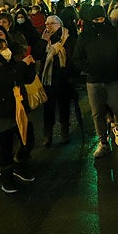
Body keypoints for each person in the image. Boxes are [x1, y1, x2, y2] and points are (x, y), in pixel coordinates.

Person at [0, 36, 37, 194]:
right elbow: (5, 81)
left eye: (6, 47)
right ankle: (6, 177)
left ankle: (19, 165)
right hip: (0, 113)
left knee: (28, 140)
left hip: (19, 108)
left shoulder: (13, 64)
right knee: (6, 146)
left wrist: (30, 65)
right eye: (2, 49)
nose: (6, 51)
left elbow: (27, 78)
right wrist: (23, 67)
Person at [73, 5, 118, 158]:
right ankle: (103, 142)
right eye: (96, 19)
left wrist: (117, 69)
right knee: (97, 113)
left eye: (102, 19)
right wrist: (89, 69)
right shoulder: (84, 37)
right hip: (94, 80)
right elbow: (77, 58)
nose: (100, 21)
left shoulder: (113, 33)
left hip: (112, 79)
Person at [38, 15, 76, 146]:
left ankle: (64, 131)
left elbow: (72, 58)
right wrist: (44, 41)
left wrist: (71, 75)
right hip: (48, 80)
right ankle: (47, 135)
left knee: (63, 106)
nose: (48, 26)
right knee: (48, 108)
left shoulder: (67, 38)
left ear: (59, 24)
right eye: (46, 24)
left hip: (63, 79)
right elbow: (39, 54)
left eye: (51, 23)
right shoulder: (45, 39)